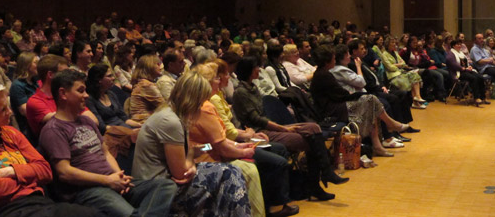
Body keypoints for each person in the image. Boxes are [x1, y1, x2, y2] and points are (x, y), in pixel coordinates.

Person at [39, 69, 176, 217]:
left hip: (112, 181)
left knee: (166, 186)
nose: (86, 95)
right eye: (81, 91)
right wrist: (107, 181)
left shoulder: (86, 121)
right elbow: (65, 172)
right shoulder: (53, 130)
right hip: (88, 190)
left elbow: (105, 152)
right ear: (63, 94)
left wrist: (118, 176)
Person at [0, 83, 102, 217]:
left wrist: (12, 171)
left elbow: (46, 170)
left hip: (39, 202)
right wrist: (29, 177)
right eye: (3, 109)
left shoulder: (10, 132)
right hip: (6, 210)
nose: (11, 112)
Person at [132, 72, 251, 216]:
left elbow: (201, 148)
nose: (201, 106)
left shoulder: (178, 114)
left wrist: (201, 150)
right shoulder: (170, 121)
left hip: (168, 177)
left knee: (232, 172)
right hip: (158, 187)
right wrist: (192, 161)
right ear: (191, 99)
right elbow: (181, 173)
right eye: (200, 102)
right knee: (229, 175)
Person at [233, 55, 348, 201]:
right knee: (312, 142)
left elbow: (264, 116)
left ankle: (324, 174)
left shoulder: (253, 87)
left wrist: (283, 127)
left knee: (314, 128)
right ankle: (317, 183)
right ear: (249, 70)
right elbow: (257, 120)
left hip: (269, 126)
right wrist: (283, 129)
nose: (259, 70)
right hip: (258, 132)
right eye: (256, 67)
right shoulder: (240, 92)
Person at [193, 64, 298, 217]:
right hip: (209, 159)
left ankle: (271, 205)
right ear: (206, 83)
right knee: (253, 169)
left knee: (277, 152)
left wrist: (242, 144)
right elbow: (219, 143)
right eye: (217, 77)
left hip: (214, 151)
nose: (225, 78)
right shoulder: (206, 106)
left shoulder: (209, 101)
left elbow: (219, 140)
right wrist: (244, 147)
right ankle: (262, 211)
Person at [326, 45, 415, 157]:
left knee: (376, 102)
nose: (349, 56)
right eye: (347, 54)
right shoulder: (340, 70)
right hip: (344, 105)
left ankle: (386, 136)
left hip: (354, 98)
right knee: (374, 102)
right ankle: (391, 129)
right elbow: (361, 82)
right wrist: (358, 67)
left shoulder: (345, 67)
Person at [379, 38, 428, 108]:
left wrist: (396, 65)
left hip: (401, 72)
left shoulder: (395, 53)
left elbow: (404, 63)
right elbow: (390, 68)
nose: (394, 44)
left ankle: (417, 97)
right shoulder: (384, 54)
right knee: (407, 81)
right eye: (392, 42)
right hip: (393, 75)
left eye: (395, 42)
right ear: (387, 44)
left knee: (414, 75)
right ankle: (415, 103)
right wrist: (399, 65)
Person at [86, 64, 137, 131]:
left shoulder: (111, 94)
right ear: (99, 80)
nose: (113, 78)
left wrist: (141, 125)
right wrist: (128, 131)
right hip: (111, 133)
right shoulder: (90, 99)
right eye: (109, 76)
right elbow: (102, 127)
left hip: (125, 128)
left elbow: (125, 118)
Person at [447, 40, 491, 105]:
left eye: (460, 44)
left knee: (480, 77)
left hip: (466, 70)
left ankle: (483, 97)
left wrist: (469, 67)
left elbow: (466, 62)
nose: (459, 46)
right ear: (453, 46)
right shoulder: (450, 54)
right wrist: (463, 68)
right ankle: (476, 98)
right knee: (473, 78)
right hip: (458, 73)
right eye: (457, 44)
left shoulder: (461, 53)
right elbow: (454, 65)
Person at [127, 55, 165, 123]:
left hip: (148, 120)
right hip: (144, 121)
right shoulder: (146, 85)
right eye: (158, 64)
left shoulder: (141, 82)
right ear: (149, 67)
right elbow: (164, 106)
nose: (161, 67)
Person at [10, 52, 39, 137]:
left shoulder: (35, 82)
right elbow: (25, 111)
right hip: (28, 129)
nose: (39, 65)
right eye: (35, 62)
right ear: (27, 65)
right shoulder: (17, 85)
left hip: (37, 122)